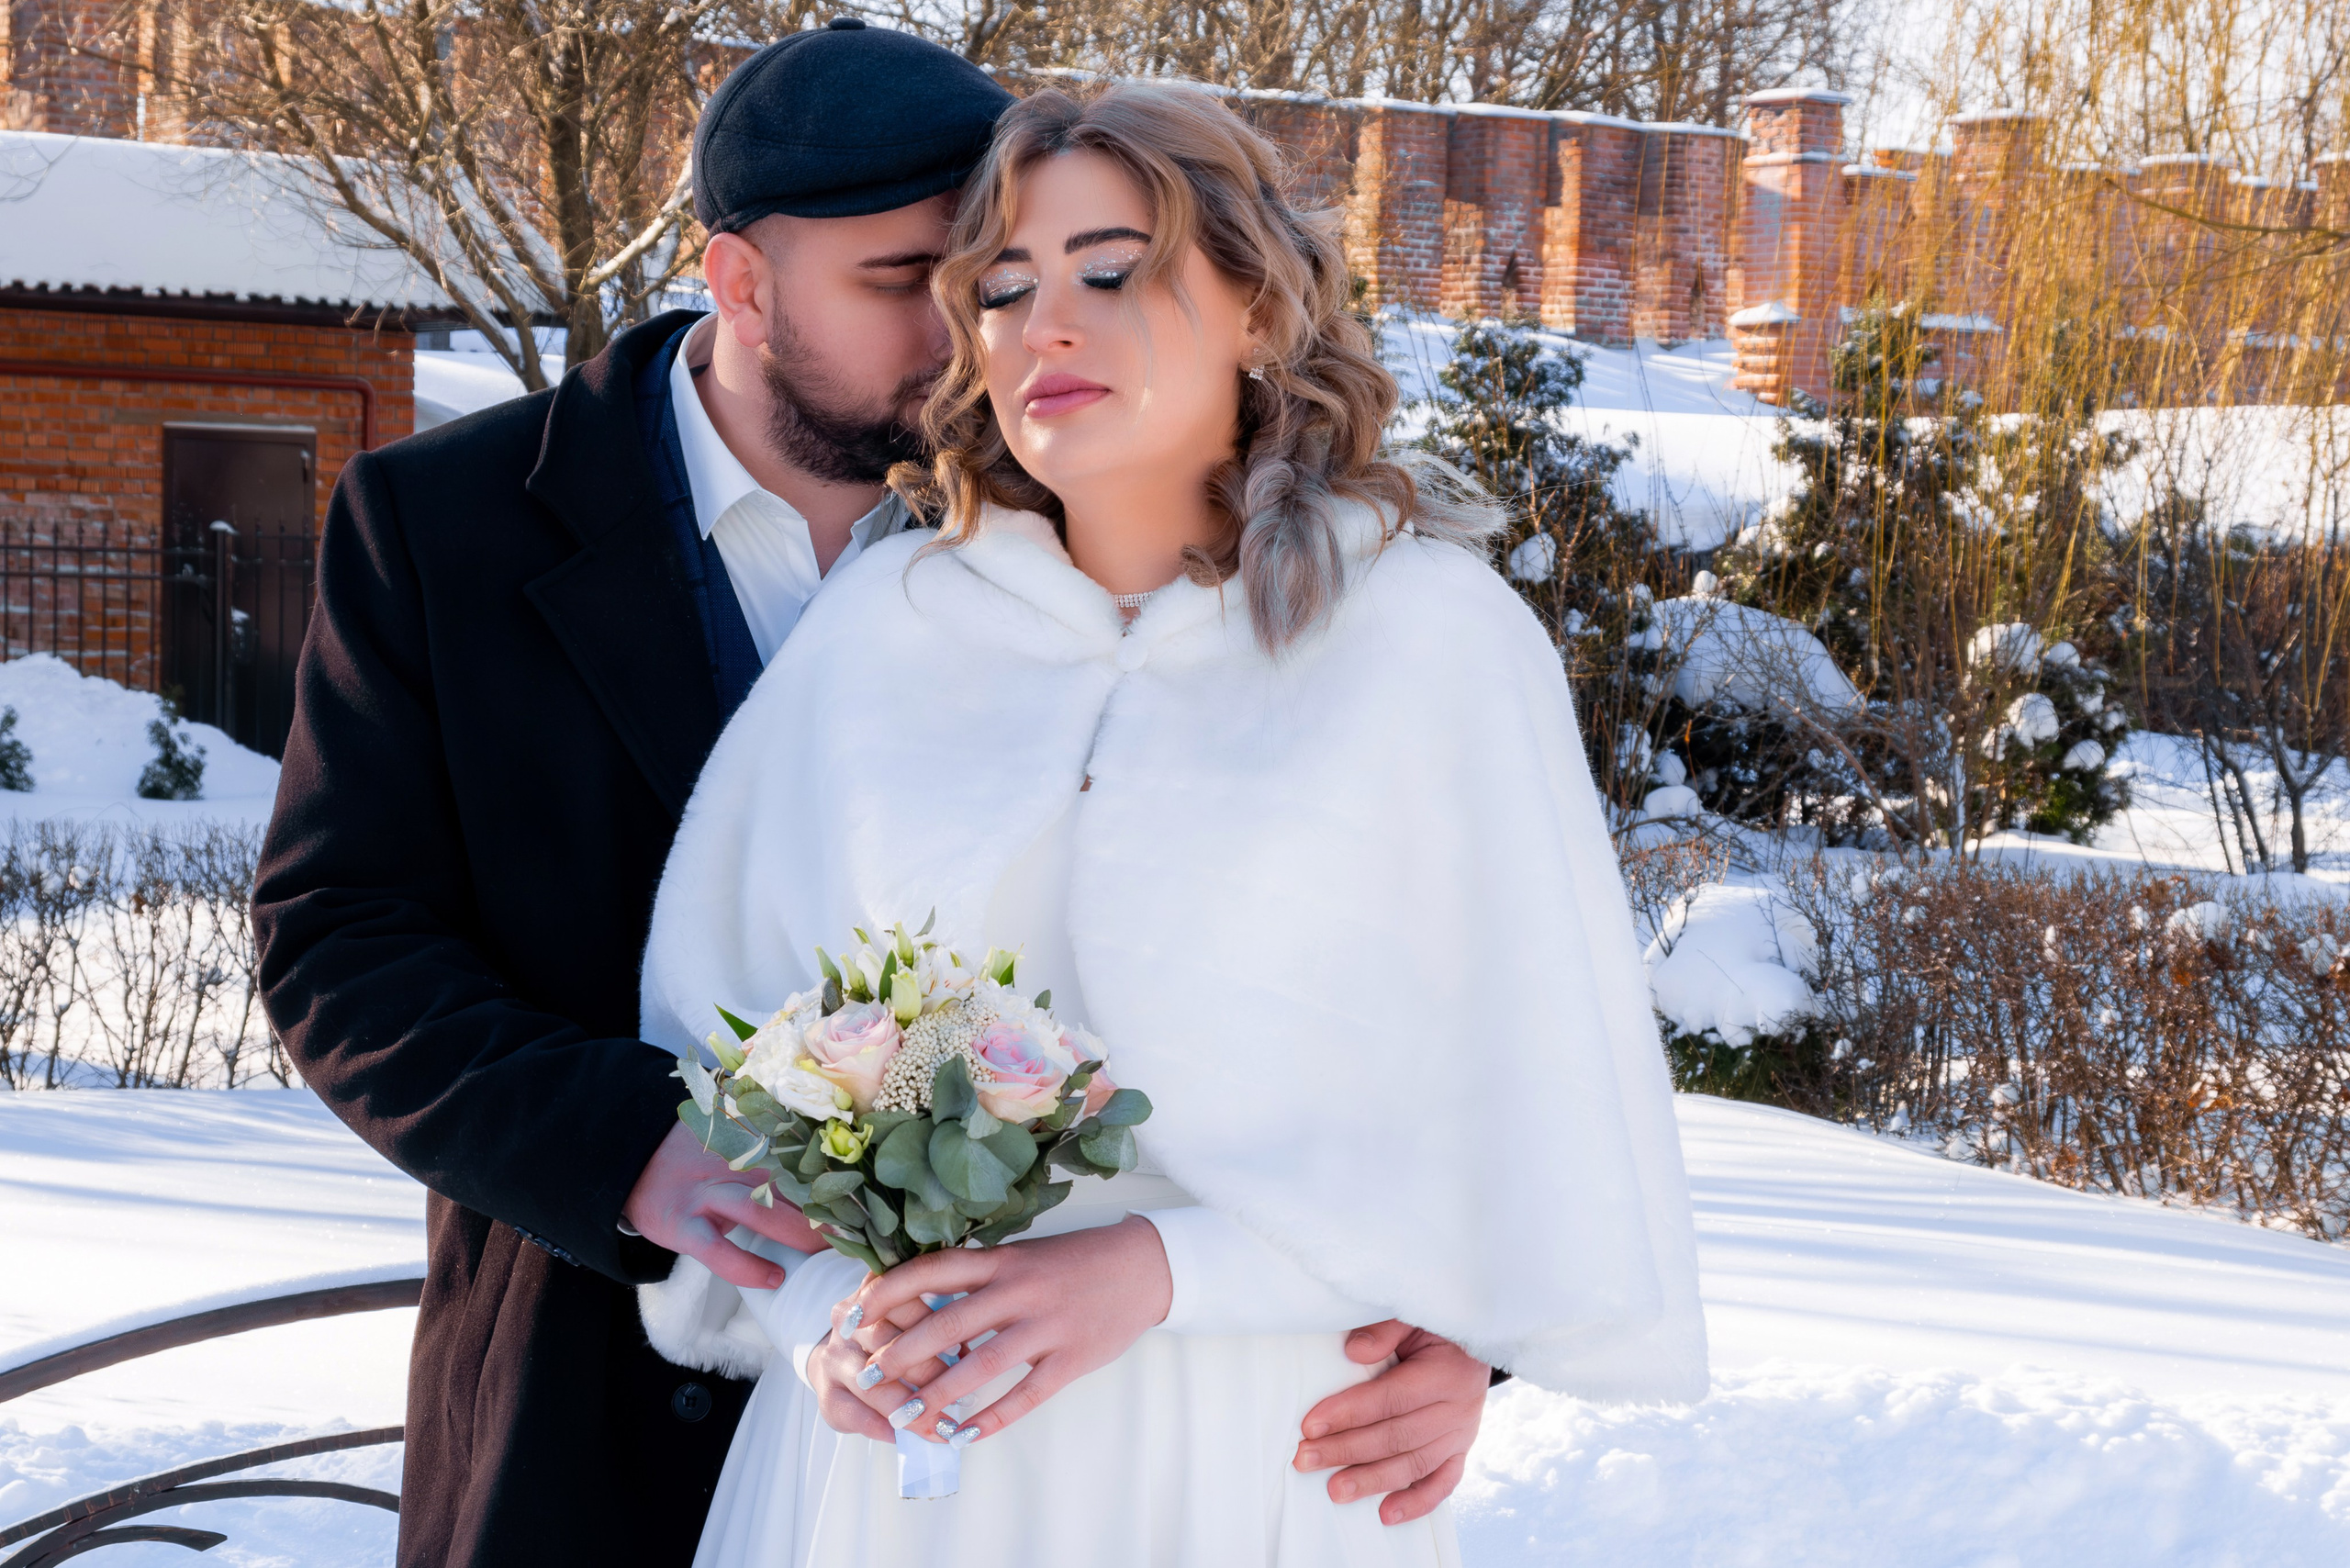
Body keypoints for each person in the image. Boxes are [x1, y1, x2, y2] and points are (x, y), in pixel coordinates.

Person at [252, 25, 1493, 1568]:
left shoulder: (1104, 519)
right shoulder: (442, 526)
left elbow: (1402, 987)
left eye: (983, 280)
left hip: (1068, 1452)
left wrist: (1450, 1315)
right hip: (588, 1388)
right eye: (906, 286)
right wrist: (627, 1152)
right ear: (744, 283)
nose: (973, 335)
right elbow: (343, 936)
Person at [635, 82, 1708, 1567]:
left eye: (1112, 269)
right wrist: (822, 1317)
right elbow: (724, 1043)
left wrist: (1157, 1272)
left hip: (1259, 1442)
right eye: (999, 290)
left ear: (1260, 312)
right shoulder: (882, 633)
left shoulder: (1426, 641)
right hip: (901, 1461)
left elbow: (1515, 1094)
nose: (1043, 326)